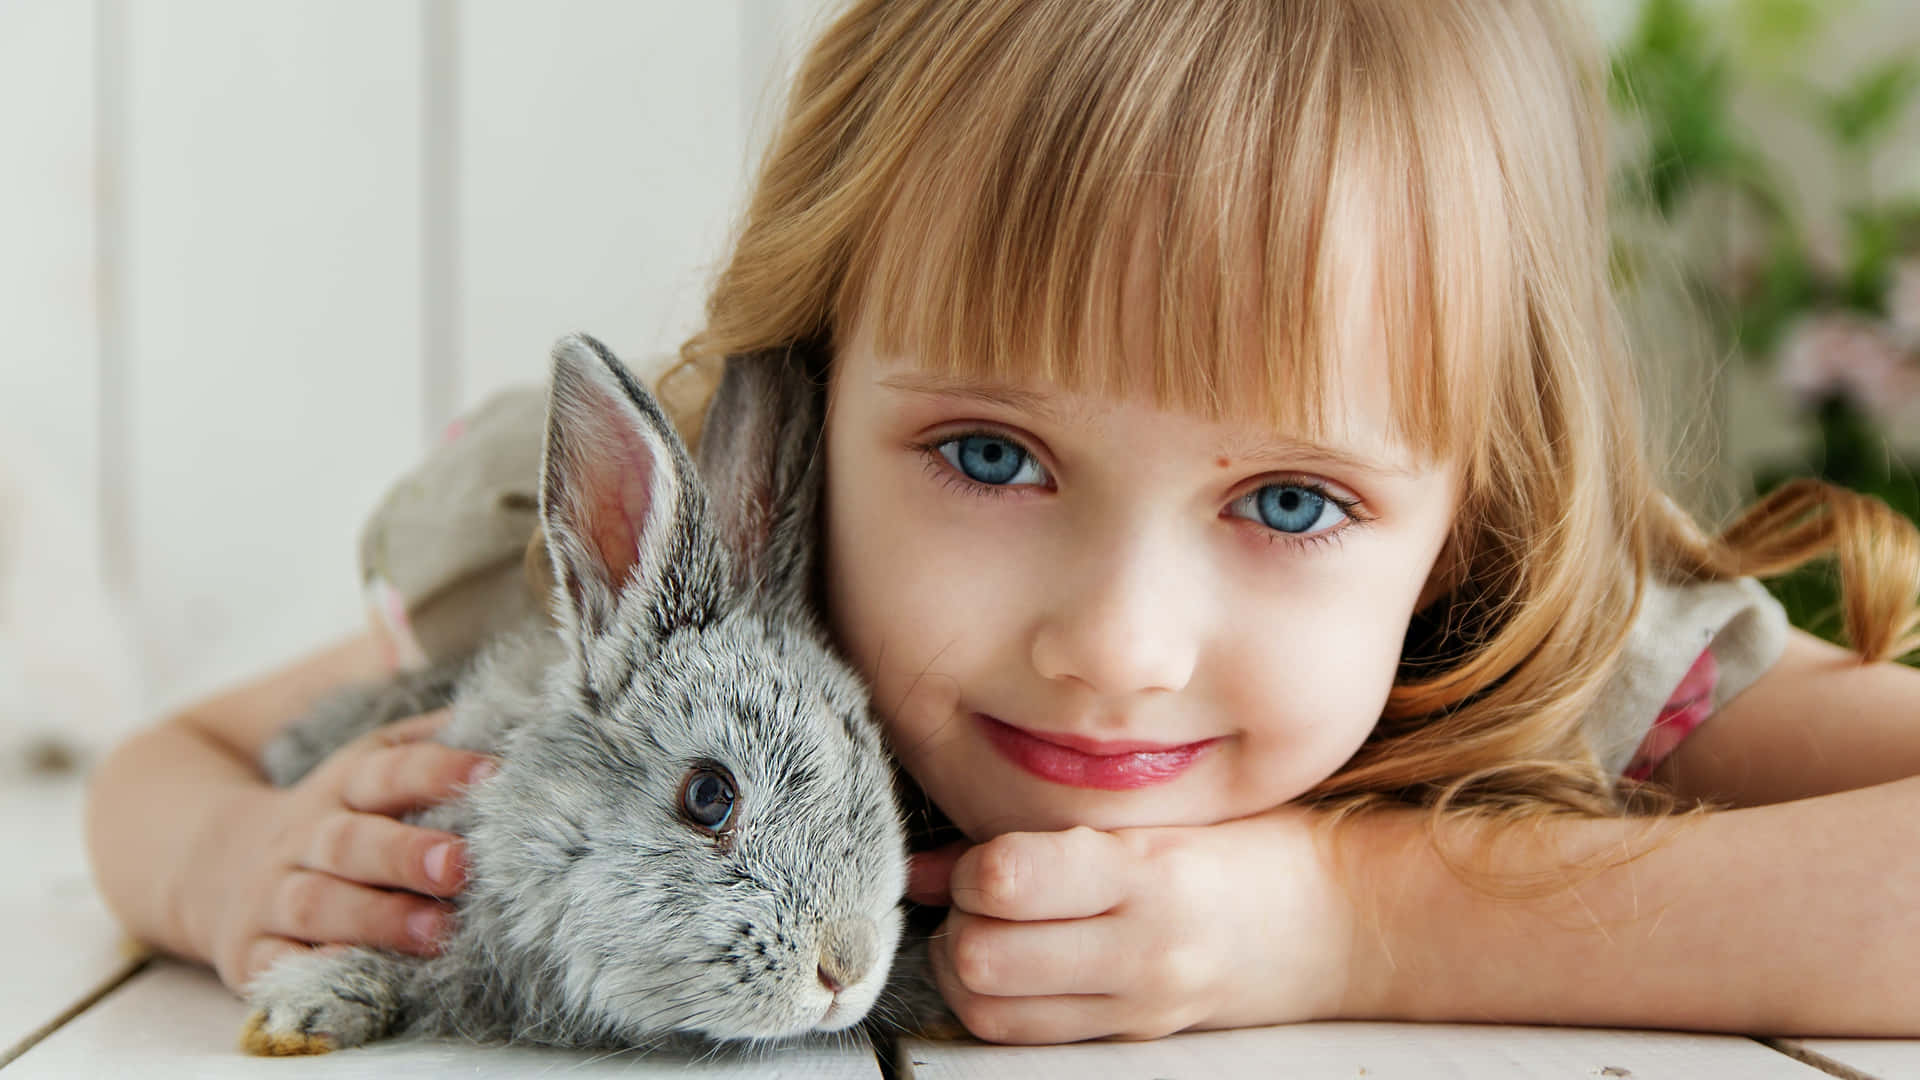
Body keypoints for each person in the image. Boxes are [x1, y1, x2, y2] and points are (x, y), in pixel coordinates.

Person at [87, 0, 1920, 1045]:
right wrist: (237, 865)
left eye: (1291, 500)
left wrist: (1356, 924)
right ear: (819, 380)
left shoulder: (1529, 643)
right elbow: (169, 764)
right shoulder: (681, 579)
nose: (1116, 643)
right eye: (988, 455)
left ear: (1467, 518)